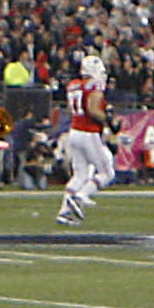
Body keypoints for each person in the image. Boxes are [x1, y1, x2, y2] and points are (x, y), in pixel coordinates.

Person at [56, 52, 114, 226]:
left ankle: (64, 212)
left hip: (74, 131)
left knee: (79, 174)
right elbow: (92, 109)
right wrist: (108, 119)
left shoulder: (73, 85)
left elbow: (71, 109)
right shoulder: (94, 85)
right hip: (88, 132)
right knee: (106, 172)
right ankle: (81, 196)